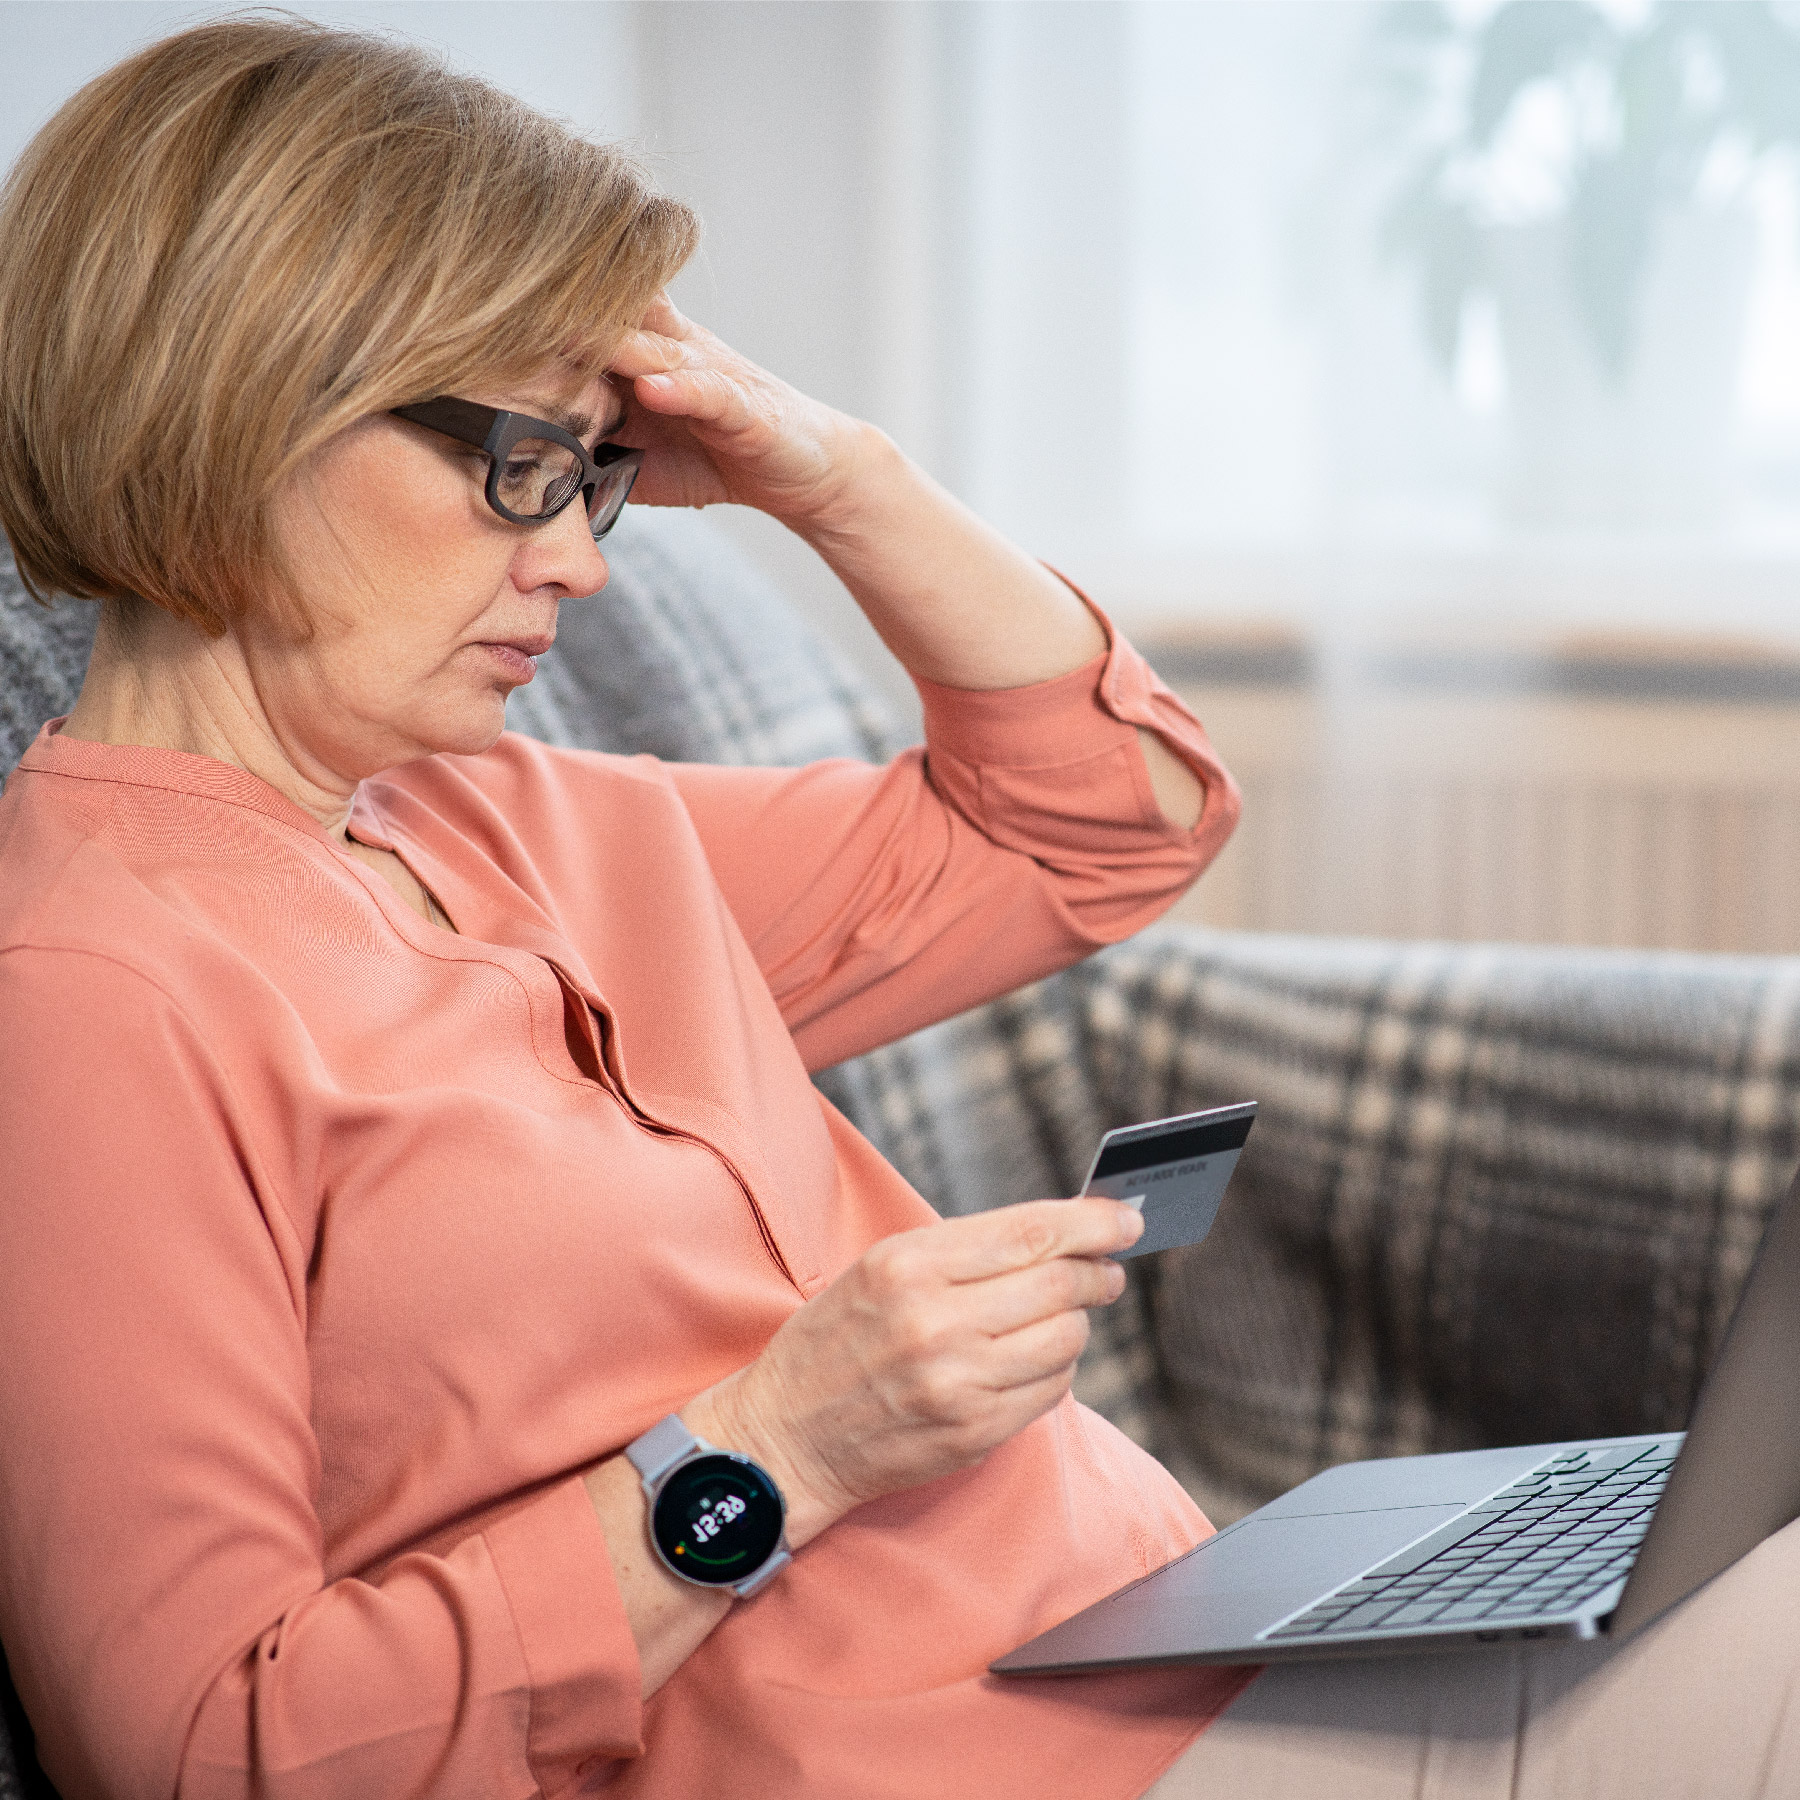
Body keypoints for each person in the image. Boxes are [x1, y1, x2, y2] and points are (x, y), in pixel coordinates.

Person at [0, 18, 1250, 1800]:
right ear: (244, 401)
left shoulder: (518, 811)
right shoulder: (88, 992)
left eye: (597, 477)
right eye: (523, 466)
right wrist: (772, 1453)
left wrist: (837, 476)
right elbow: (208, 1752)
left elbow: (1111, 825)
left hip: (1191, 1649)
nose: (584, 558)